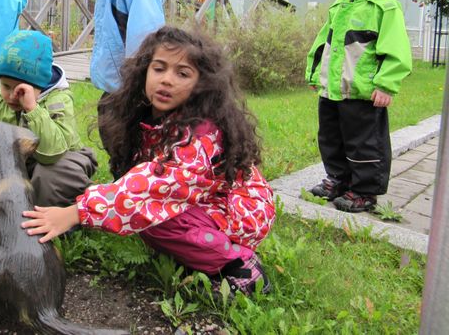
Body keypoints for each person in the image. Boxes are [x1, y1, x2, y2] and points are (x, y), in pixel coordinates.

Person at [22, 26, 275, 295]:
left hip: (240, 211)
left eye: (182, 73)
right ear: (144, 71)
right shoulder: (148, 116)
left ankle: (240, 266)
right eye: (159, 68)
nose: (166, 80)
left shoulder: (200, 134)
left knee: (158, 220)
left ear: (202, 84)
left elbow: (154, 186)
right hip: (208, 203)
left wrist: (76, 213)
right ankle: (201, 252)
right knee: (147, 214)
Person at [306, 0, 413, 213]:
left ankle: (365, 190)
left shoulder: (385, 7)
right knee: (331, 138)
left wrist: (387, 84)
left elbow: (397, 48)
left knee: (364, 143)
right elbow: (323, 42)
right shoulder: (340, 5)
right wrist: (315, 73)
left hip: (363, 92)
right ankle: (339, 179)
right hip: (333, 89)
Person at [0, 30, 98, 207]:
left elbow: (52, 153)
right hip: (25, 159)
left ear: (40, 86)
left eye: (20, 90)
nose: (12, 95)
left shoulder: (58, 100)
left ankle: (74, 209)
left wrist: (32, 109)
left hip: (63, 159)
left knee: (46, 175)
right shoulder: (2, 99)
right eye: (5, 86)